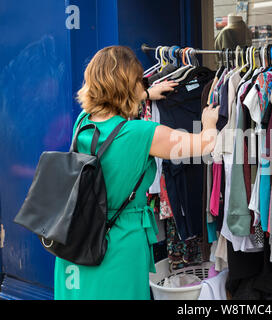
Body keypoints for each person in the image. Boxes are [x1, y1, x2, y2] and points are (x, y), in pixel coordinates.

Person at [54, 46, 219, 300]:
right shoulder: (144, 134)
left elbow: (113, 114)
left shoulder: (83, 122)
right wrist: (208, 123)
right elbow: (203, 145)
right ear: (129, 85)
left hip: (76, 241)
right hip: (117, 245)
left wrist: (148, 94)